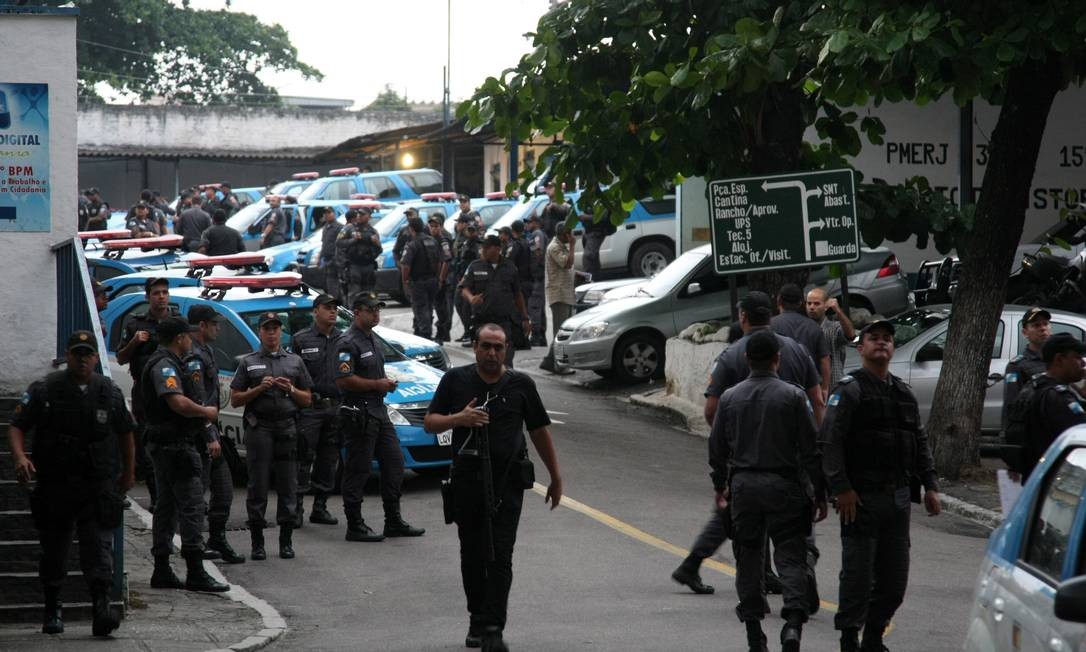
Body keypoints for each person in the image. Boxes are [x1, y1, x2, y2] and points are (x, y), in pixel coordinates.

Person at [674, 290, 824, 599]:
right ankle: (798, 573)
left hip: (744, 460)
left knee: (736, 515)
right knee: (796, 522)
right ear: (770, 314)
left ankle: (736, 579)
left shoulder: (732, 355)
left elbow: (711, 410)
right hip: (791, 460)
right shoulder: (796, 350)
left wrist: (730, 445)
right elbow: (817, 401)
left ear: (743, 317)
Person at [424, 323, 563, 651]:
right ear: (474, 347)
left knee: (501, 556)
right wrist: (460, 419)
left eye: (498, 347)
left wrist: (556, 477)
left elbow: (539, 430)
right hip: (467, 483)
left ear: (507, 350)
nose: (492, 353)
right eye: (486, 346)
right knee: (472, 555)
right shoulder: (455, 381)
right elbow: (431, 422)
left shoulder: (521, 385)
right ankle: (477, 617)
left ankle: (492, 627)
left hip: (508, 484)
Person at [820, 319, 941, 652]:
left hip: (898, 499)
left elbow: (918, 438)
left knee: (894, 582)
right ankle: (849, 638)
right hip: (860, 499)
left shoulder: (902, 391)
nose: (882, 343)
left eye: (887, 339)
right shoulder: (849, 390)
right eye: (874, 338)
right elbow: (830, 442)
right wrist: (841, 488)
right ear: (861, 348)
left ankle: (874, 635)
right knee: (857, 577)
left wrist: (929, 484)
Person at [8, 331, 136, 637]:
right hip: (57, 482)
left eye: (88, 353)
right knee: (55, 549)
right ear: (67, 355)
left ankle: (102, 608)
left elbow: (126, 433)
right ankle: (53, 608)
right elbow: (17, 425)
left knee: (99, 548)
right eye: (77, 353)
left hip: (96, 483)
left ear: (95, 357)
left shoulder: (109, 392)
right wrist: (19, 458)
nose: (82, 359)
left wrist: (129, 472)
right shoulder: (45, 390)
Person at [709, 330, 825, 652]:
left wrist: (721, 485)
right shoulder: (793, 396)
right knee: (791, 557)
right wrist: (819, 492)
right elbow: (811, 448)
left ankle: (753, 632)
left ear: (747, 360)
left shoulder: (731, 397)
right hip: (786, 486)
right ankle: (792, 625)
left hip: (744, 488)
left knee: (748, 558)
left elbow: (716, 448)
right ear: (778, 359)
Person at [140, 317, 230, 594]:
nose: (191, 339)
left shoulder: (167, 361)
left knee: (167, 508)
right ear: (180, 338)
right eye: (187, 336)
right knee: (191, 506)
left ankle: (163, 568)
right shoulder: (165, 365)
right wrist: (207, 413)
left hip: (168, 444)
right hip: (176, 447)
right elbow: (177, 402)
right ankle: (195, 570)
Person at [335, 295, 425, 541]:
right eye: (370, 310)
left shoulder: (372, 338)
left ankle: (393, 521)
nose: (376, 314)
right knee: (358, 469)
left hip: (378, 410)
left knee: (395, 463)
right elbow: (343, 379)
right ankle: (355, 524)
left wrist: (386, 384)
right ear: (356, 312)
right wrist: (378, 384)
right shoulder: (347, 342)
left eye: (378, 310)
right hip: (358, 412)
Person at [230, 312, 314, 560]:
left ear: (281, 332)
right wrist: (259, 388)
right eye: (267, 329)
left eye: (276, 329)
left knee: (288, 485)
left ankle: (286, 542)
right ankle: (258, 543)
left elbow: (307, 399)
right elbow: (235, 399)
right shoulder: (249, 362)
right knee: (258, 485)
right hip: (260, 429)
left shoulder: (295, 362)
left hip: (287, 427)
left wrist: (290, 388)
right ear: (260, 332)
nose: (272, 333)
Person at [185, 305, 244, 564]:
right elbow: (197, 398)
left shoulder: (207, 350)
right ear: (202, 326)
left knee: (224, 489)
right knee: (199, 493)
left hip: (211, 429)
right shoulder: (193, 356)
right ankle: (195, 545)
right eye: (214, 324)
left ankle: (216, 538)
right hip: (199, 433)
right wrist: (209, 433)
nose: (218, 328)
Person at [117, 278, 181, 508]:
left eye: (165, 292)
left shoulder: (177, 323)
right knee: (149, 446)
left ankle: (175, 497)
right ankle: (157, 499)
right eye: (156, 293)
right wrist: (134, 342)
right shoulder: (136, 324)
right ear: (147, 297)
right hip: (145, 393)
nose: (161, 297)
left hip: (173, 390)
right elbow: (122, 357)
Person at [289, 294, 345, 528]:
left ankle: (320, 507)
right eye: (327, 308)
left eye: (335, 308)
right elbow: (292, 372)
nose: (332, 312)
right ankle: (297, 507)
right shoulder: (301, 339)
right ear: (316, 311)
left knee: (329, 459)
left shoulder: (344, 339)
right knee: (303, 458)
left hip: (336, 407)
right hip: (310, 409)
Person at [1011, 332, 1086, 481]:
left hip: (1035, 478)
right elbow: (1081, 435)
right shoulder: (1057, 397)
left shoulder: (1034, 385)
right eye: (1077, 357)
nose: (1083, 363)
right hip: (1055, 481)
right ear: (1059, 359)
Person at [459, 235, 531, 367]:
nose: (483, 250)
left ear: (498, 249)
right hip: (482, 321)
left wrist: (525, 318)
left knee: (505, 362)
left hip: (504, 322)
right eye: (482, 248)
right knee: (485, 361)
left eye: (487, 248)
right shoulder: (475, 266)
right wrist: (471, 298)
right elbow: (463, 288)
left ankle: (506, 387)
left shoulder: (510, 267)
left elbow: (518, 294)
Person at [772, 284, 831, 398]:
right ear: (800, 303)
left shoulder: (770, 326)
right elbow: (825, 359)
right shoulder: (813, 326)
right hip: (810, 389)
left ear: (779, 300)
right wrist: (824, 388)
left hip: (779, 388)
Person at [1002, 307, 1051, 434]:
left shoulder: (1057, 360)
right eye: (1036, 325)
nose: (1043, 328)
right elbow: (1012, 405)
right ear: (1025, 333)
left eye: (1045, 324)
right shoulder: (1018, 365)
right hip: (1034, 432)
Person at [539, 223, 575, 374]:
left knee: (562, 331)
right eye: (569, 234)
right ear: (564, 234)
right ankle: (558, 365)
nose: (571, 236)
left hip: (564, 293)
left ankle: (549, 361)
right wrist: (573, 246)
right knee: (560, 332)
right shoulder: (554, 247)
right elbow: (567, 263)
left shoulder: (559, 245)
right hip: (559, 294)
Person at [402, 216, 444, 340]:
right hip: (432, 280)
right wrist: (438, 277)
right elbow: (440, 262)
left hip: (418, 282)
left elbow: (406, 265)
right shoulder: (433, 241)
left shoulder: (412, 244)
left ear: (411, 229)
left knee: (420, 308)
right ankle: (426, 330)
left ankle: (425, 334)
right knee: (429, 307)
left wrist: (405, 281)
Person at [805, 288, 856, 388]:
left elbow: (850, 335)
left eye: (816, 304)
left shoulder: (833, 328)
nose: (811, 307)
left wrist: (838, 311)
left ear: (826, 306)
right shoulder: (803, 329)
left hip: (834, 386)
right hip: (813, 389)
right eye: (809, 303)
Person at [337, 206, 382, 305]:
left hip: (368, 266)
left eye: (363, 214)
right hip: (354, 266)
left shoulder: (373, 231)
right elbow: (339, 242)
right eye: (359, 214)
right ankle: (353, 316)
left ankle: (368, 315)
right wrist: (353, 240)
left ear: (369, 217)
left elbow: (379, 250)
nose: (359, 216)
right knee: (354, 293)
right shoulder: (350, 228)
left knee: (369, 294)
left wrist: (376, 243)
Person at [429, 214, 456, 343]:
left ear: (441, 227)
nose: (433, 229)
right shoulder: (431, 239)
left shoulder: (443, 240)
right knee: (439, 307)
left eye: (436, 226)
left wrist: (441, 279)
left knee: (443, 308)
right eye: (431, 226)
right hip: (434, 278)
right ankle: (442, 333)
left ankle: (442, 333)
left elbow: (447, 261)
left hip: (444, 279)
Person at [453, 224, 482, 343]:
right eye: (469, 231)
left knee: (468, 309)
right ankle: (466, 330)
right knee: (459, 304)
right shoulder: (465, 243)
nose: (470, 233)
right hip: (462, 278)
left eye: (472, 231)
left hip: (473, 281)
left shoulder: (480, 245)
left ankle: (471, 333)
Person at [524, 215, 549, 345]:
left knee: (534, 305)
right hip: (538, 275)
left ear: (536, 223)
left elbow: (538, 252)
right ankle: (541, 336)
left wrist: (535, 270)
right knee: (539, 306)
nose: (527, 225)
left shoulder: (537, 234)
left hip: (537, 276)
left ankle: (536, 336)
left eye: (529, 222)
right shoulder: (535, 234)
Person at [317, 206, 344, 301]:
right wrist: (319, 258)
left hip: (335, 259)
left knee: (333, 284)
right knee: (328, 285)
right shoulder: (326, 227)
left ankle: (335, 304)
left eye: (329, 213)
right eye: (325, 213)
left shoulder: (339, 227)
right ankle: (338, 303)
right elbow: (324, 244)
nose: (327, 215)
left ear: (334, 214)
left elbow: (341, 245)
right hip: (326, 260)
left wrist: (337, 259)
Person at [579, 209, 613, 279]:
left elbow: (603, 217)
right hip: (589, 231)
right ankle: (595, 278)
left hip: (597, 231)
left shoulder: (600, 201)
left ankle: (588, 280)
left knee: (588, 256)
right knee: (593, 257)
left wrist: (585, 217)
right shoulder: (588, 201)